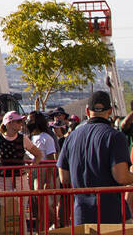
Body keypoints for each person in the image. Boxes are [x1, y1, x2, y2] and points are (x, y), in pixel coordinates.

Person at [57, 90, 133, 224]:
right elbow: (121, 177)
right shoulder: (115, 136)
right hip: (113, 215)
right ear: (110, 111)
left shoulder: (72, 137)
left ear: (87, 111)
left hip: (82, 216)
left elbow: (64, 177)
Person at [0, 111, 43, 191]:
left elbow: (38, 154)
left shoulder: (23, 138)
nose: (21, 123)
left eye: (21, 121)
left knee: (22, 203)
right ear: (9, 123)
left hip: (20, 180)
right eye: (18, 121)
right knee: (4, 203)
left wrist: (29, 168)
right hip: (2, 181)